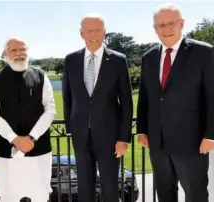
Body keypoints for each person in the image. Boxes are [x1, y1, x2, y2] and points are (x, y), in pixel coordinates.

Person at [137, 4, 214, 202]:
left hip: (192, 142)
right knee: (165, 194)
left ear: (182, 24)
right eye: (161, 25)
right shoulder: (148, 58)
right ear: (155, 28)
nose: (166, 29)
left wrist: (212, 135)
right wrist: (142, 129)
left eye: (171, 23)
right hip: (158, 144)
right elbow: (145, 97)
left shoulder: (204, 53)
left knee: (195, 194)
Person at [62, 13, 133, 202]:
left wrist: (123, 138)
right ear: (81, 33)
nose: (93, 34)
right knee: (85, 187)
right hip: (81, 136)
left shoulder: (118, 60)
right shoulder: (71, 60)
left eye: (98, 30)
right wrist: (71, 129)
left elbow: (126, 102)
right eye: (89, 30)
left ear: (104, 33)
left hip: (110, 138)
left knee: (110, 186)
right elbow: (67, 97)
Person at [0, 37, 56, 202]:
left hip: (39, 148)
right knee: (9, 196)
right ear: (5, 54)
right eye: (13, 50)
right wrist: (15, 139)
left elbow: (50, 109)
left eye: (22, 49)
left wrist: (31, 138)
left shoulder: (40, 75)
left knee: (40, 195)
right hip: (6, 151)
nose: (19, 53)